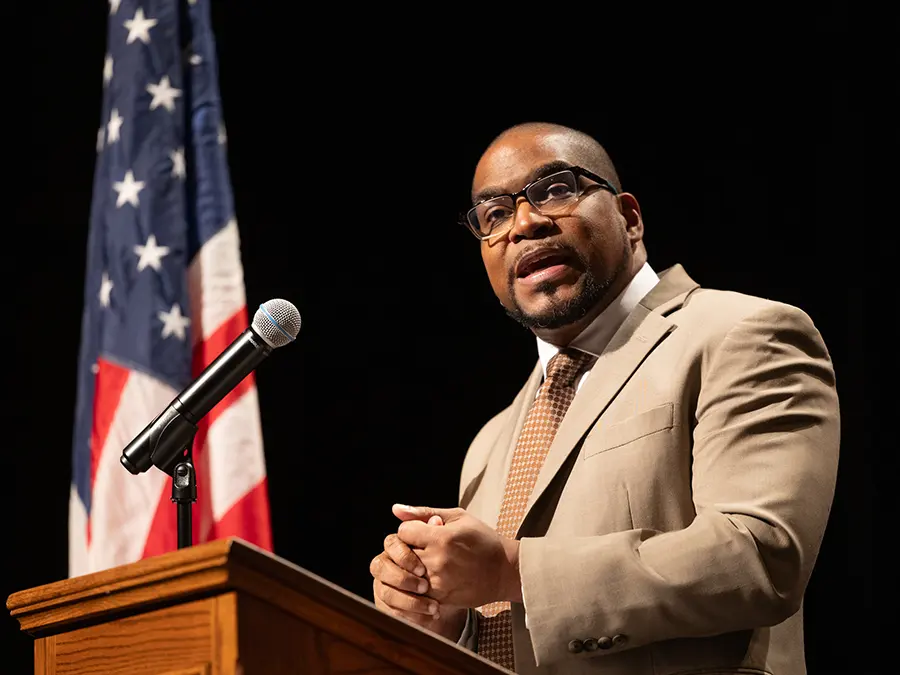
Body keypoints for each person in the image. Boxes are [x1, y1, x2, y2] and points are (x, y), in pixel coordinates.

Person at [369, 122, 839, 674]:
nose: (524, 223)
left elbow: (760, 558)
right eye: (494, 215)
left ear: (629, 217)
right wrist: (446, 622)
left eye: (556, 190)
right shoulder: (490, 442)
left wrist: (511, 571)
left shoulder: (741, 335)